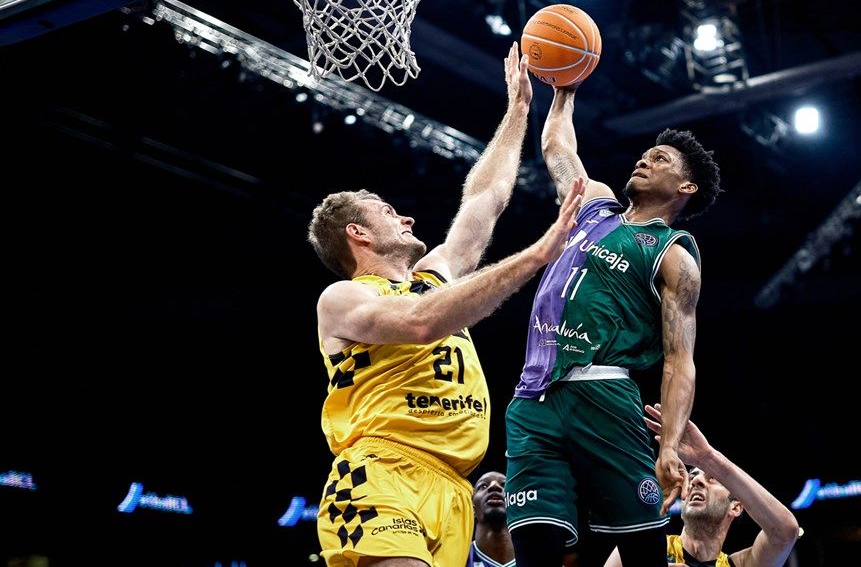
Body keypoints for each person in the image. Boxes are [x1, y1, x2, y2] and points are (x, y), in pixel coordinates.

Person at [308, 43, 586, 567]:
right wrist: (536, 255)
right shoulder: (344, 298)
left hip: (456, 488)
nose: (407, 218)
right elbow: (421, 323)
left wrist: (518, 111)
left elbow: (486, 197)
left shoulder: (433, 277)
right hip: (381, 472)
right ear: (357, 235)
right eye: (388, 212)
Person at [504, 85, 723, 567]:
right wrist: (565, 91)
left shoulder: (673, 254)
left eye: (661, 159)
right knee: (533, 545)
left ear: (686, 187)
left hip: (605, 396)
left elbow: (680, 359)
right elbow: (557, 149)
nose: (644, 161)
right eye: (645, 155)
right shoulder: (593, 206)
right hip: (532, 397)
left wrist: (669, 445)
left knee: (642, 548)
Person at [604, 406, 800, 567]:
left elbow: (785, 531)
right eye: (693, 476)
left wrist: (708, 458)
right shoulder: (645, 550)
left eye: (712, 478)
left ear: (736, 507)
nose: (697, 481)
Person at [468, 471, 516, 567]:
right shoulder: (455, 557)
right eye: (483, 486)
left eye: (504, 485)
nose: (494, 486)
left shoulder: (539, 557)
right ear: (472, 507)